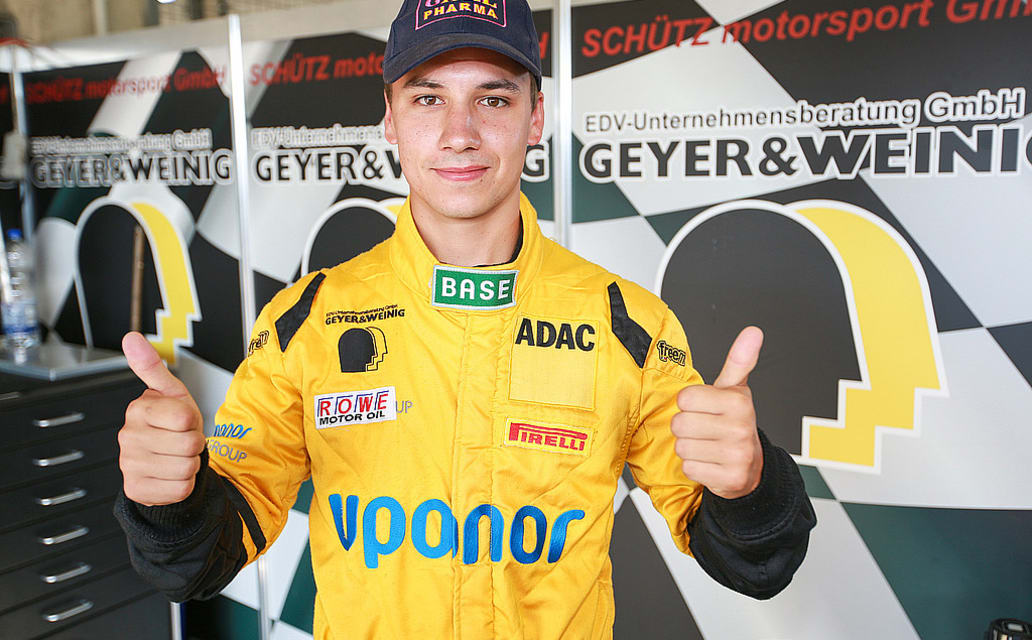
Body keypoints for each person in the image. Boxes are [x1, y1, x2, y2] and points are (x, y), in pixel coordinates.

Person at [113, 0, 817, 637]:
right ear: (390, 119)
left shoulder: (627, 323)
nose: (460, 133)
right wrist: (167, 503)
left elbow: (753, 565)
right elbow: (203, 559)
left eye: (493, 98)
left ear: (535, 118)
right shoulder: (310, 320)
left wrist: (751, 486)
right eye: (428, 98)